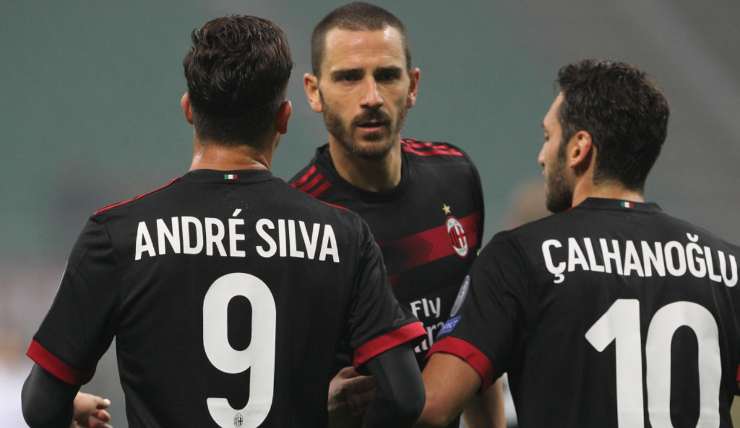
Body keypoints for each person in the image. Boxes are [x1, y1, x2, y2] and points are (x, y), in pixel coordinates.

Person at [21, 15, 426, 428]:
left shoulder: (116, 235)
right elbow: (404, 396)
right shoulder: (344, 237)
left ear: (188, 110)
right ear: (284, 117)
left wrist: (65, 409)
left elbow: (40, 407)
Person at [417, 59, 740, 427]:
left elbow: (433, 406)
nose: (541, 157)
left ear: (578, 148)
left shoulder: (519, 257)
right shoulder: (728, 266)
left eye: (547, 137)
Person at [290, 2, 504, 427]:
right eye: (349, 77)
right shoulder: (296, 220)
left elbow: (477, 349)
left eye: (387, 76)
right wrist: (316, 406)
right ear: (313, 91)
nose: (371, 97)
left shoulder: (456, 177)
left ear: (413, 85)